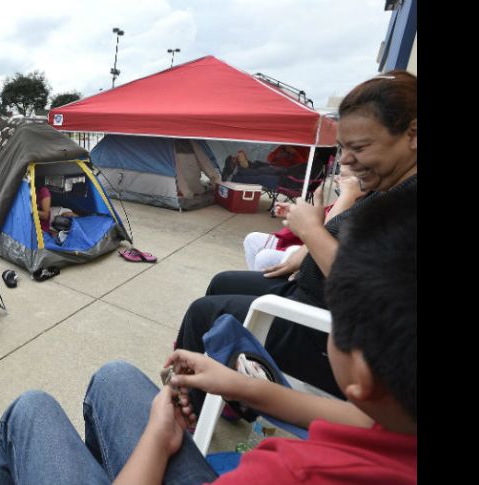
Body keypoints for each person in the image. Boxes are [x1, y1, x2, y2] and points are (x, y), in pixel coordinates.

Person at [0, 184, 416, 484]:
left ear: (360, 368)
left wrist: (158, 438)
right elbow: (364, 421)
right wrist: (238, 384)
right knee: (116, 375)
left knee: (29, 411)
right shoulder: (400, 424)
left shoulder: (289, 473)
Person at [175, 69, 417, 412]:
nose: (346, 160)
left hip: (323, 330)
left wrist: (311, 232)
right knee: (221, 283)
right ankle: (227, 395)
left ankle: (191, 410)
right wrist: (306, 252)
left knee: (204, 313)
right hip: (310, 290)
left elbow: (373, 294)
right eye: (342, 148)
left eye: (359, 147)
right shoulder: (392, 185)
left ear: (412, 135)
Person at [243, 164, 364, 271]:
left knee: (264, 257)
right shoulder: (348, 199)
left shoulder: (356, 204)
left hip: (315, 255)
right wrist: (295, 212)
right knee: (252, 239)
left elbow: (326, 232)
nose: (336, 179)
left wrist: (347, 194)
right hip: (306, 244)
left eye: (342, 176)